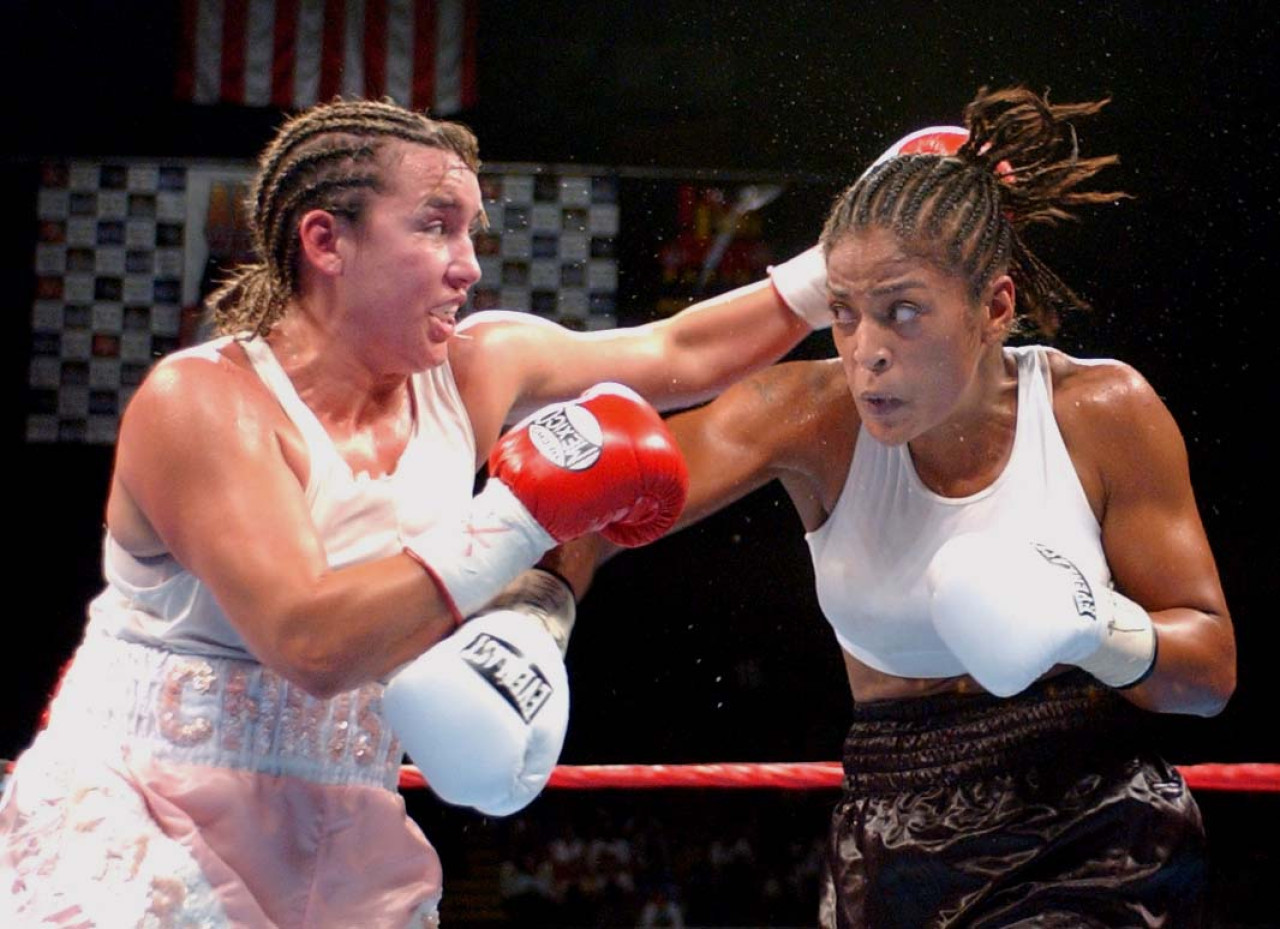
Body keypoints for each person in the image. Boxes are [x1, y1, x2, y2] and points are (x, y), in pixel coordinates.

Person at [0, 97, 834, 928]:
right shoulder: (204, 404)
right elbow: (311, 640)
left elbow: (679, 352)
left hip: (346, 828)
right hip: (145, 817)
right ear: (326, 241)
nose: (468, 264)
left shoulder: (476, 369)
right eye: (436, 227)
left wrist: (840, 269)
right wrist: (523, 514)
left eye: (472, 231)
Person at [579, 86, 1236, 926]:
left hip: (1096, 825)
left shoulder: (1100, 410)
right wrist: (534, 610)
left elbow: (1209, 674)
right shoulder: (807, 415)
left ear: (995, 306)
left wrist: (1093, 625)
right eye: (845, 316)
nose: (867, 354)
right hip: (888, 835)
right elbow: (594, 506)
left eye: (903, 312)